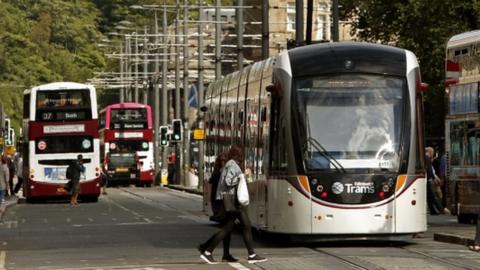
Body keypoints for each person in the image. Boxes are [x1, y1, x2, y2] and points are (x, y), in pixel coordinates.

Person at [198, 145, 267, 264]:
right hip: (232, 200)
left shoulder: (231, 164)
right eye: (241, 155)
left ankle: (250, 254)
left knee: (244, 225)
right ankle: (207, 251)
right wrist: (241, 177)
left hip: (233, 201)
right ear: (237, 155)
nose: (242, 157)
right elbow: (228, 181)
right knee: (230, 228)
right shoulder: (232, 164)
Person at [197, 152, 237, 262]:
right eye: (223, 161)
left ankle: (225, 254)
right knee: (226, 229)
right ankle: (206, 248)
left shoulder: (218, 173)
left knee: (227, 229)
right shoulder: (220, 174)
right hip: (221, 204)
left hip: (221, 203)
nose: (225, 163)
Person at [425, 147, 449, 215]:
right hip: (428, 180)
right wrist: (433, 178)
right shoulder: (427, 158)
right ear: (430, 152)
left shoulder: (425, 158)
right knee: (433, 196)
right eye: (432, 153)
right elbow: (430, 170)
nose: (433, 154)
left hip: (427, 180)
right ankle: (441, 210)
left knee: (430, 197)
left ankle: (433, 211)